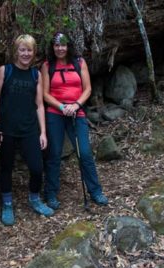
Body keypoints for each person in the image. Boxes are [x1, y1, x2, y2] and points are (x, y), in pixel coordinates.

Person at [41, 32, 108, 210]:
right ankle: (51, 193)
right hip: (55, 113)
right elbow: (45, 94)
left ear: (68, 46)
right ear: (52, 47)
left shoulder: (79, 63)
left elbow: (87, 89)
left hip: (76, 112)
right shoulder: (48, 66)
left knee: (84, 152)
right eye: (56, 45)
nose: (60, 48)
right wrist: (62, 107)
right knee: (54, 154)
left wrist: (76, 105)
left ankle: (95, 191)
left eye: (63, 45)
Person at [0, 34, 54, 226]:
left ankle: (34, 198)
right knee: (6, 167)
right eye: (22, 49)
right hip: (6, 129)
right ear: (16, 51)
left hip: (29, 129)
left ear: (34, 52)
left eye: (29, 50)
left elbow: (39, 105)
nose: (26, 53)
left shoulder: (36, 75)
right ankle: (7, 203)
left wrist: (42, 132)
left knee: (37, 167)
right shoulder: (5, 71)